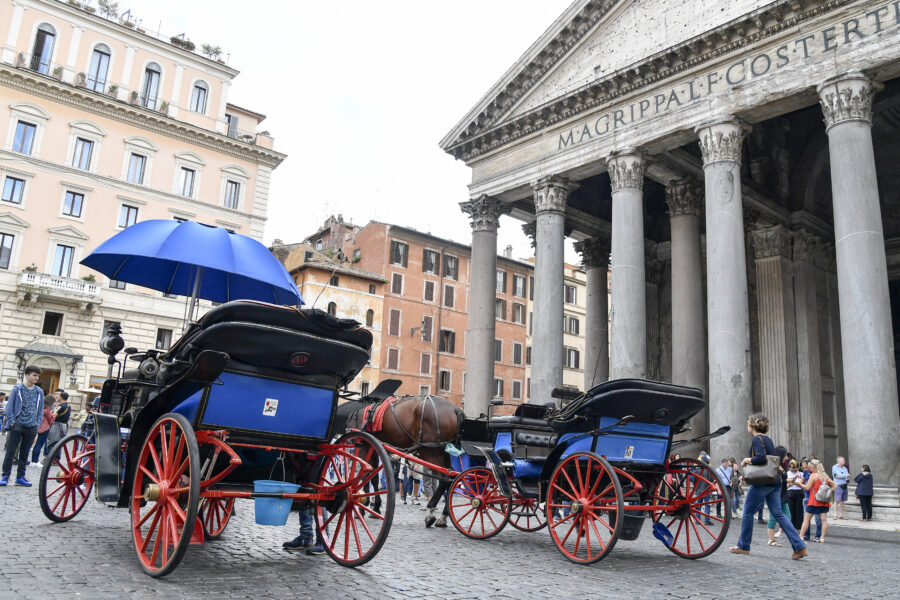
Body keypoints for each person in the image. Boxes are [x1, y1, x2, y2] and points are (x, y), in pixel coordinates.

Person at [729, 413, 807, 560]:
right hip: (774, 481)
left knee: (747, 512)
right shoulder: (768, 439)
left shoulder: (757, 439)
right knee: (779, 514)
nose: (747, 426)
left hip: (762, 481)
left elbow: (760, 458)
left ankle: (744, 546)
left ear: (753, 425)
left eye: (748, 424)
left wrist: (746, 460)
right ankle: (799, 547)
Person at [1, 366, 44, 486]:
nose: (37, 378)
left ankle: (20, 477)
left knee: (24, 454)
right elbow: (9, 407)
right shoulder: (17, 389)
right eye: (34, 375)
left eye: (38, 376)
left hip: (31, 426)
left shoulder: (39, 391)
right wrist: (12, 421)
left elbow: (40, 409)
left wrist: (37, 424)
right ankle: (5, 476)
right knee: (10, 452)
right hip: (17, 425)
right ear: (27, 375)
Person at [798, 459, 836, 543]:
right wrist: (828, 491)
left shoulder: (813, 476)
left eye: (810, 468)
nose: (810, 469)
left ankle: (800, 536)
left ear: (814, 467)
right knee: (824, 520)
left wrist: (800, 484)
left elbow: (807, 487)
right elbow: (835, 485)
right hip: (824, 501)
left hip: (814, 500)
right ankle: (822, 538)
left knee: (807, 519)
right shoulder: (825, 476)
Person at [766, 445, 792, 546]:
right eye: (785, 455)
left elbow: (782, 480)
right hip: (776, 493)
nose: (786, 457)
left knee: (787, 516)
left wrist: (787, 481)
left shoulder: (782, 465)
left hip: (783, 493)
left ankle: (790, 536)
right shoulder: (774, 465)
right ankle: (771, 539)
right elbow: (775, 480)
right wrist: (787, 481)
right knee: (773, 516)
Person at [29, 396, 56, 465]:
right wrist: (54, 414)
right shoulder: (47, 410)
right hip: (45, 428)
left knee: (34, 444)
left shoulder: (40, 407)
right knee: (39, 445)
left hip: (36, 427)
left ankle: (32, 461)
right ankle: (35, 461)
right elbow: (51, 420)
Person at [785, 460, 805, 531]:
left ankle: (798, 526)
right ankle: (790, 526)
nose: (794, 470)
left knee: (799, 511)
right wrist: (792, 483)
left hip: (799, 492)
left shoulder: (801, 474)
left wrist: (799, 484)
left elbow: (804, 485)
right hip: (789, 492)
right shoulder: (787, 474)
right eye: (792, 468)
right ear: (789, 467)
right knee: (790, 510)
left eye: (795, 468)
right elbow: (784, 486)